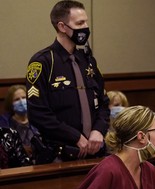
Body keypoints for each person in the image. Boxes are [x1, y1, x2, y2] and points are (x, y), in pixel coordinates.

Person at [26, 1, 109, 161]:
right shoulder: (43, 62)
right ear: (62, 27)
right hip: (59, 155)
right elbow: (38, 113)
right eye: (79, 23)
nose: (85, 27)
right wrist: (75, 137)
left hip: (94, 152)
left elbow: (103, 103)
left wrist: (98, 130)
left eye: (86, 22)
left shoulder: (88, 60)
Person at [1, 84, 55, 164]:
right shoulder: (4, 122)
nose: (21, 101)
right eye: (16, 99)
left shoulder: (39, 119)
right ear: (10, 103)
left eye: (24, 98)